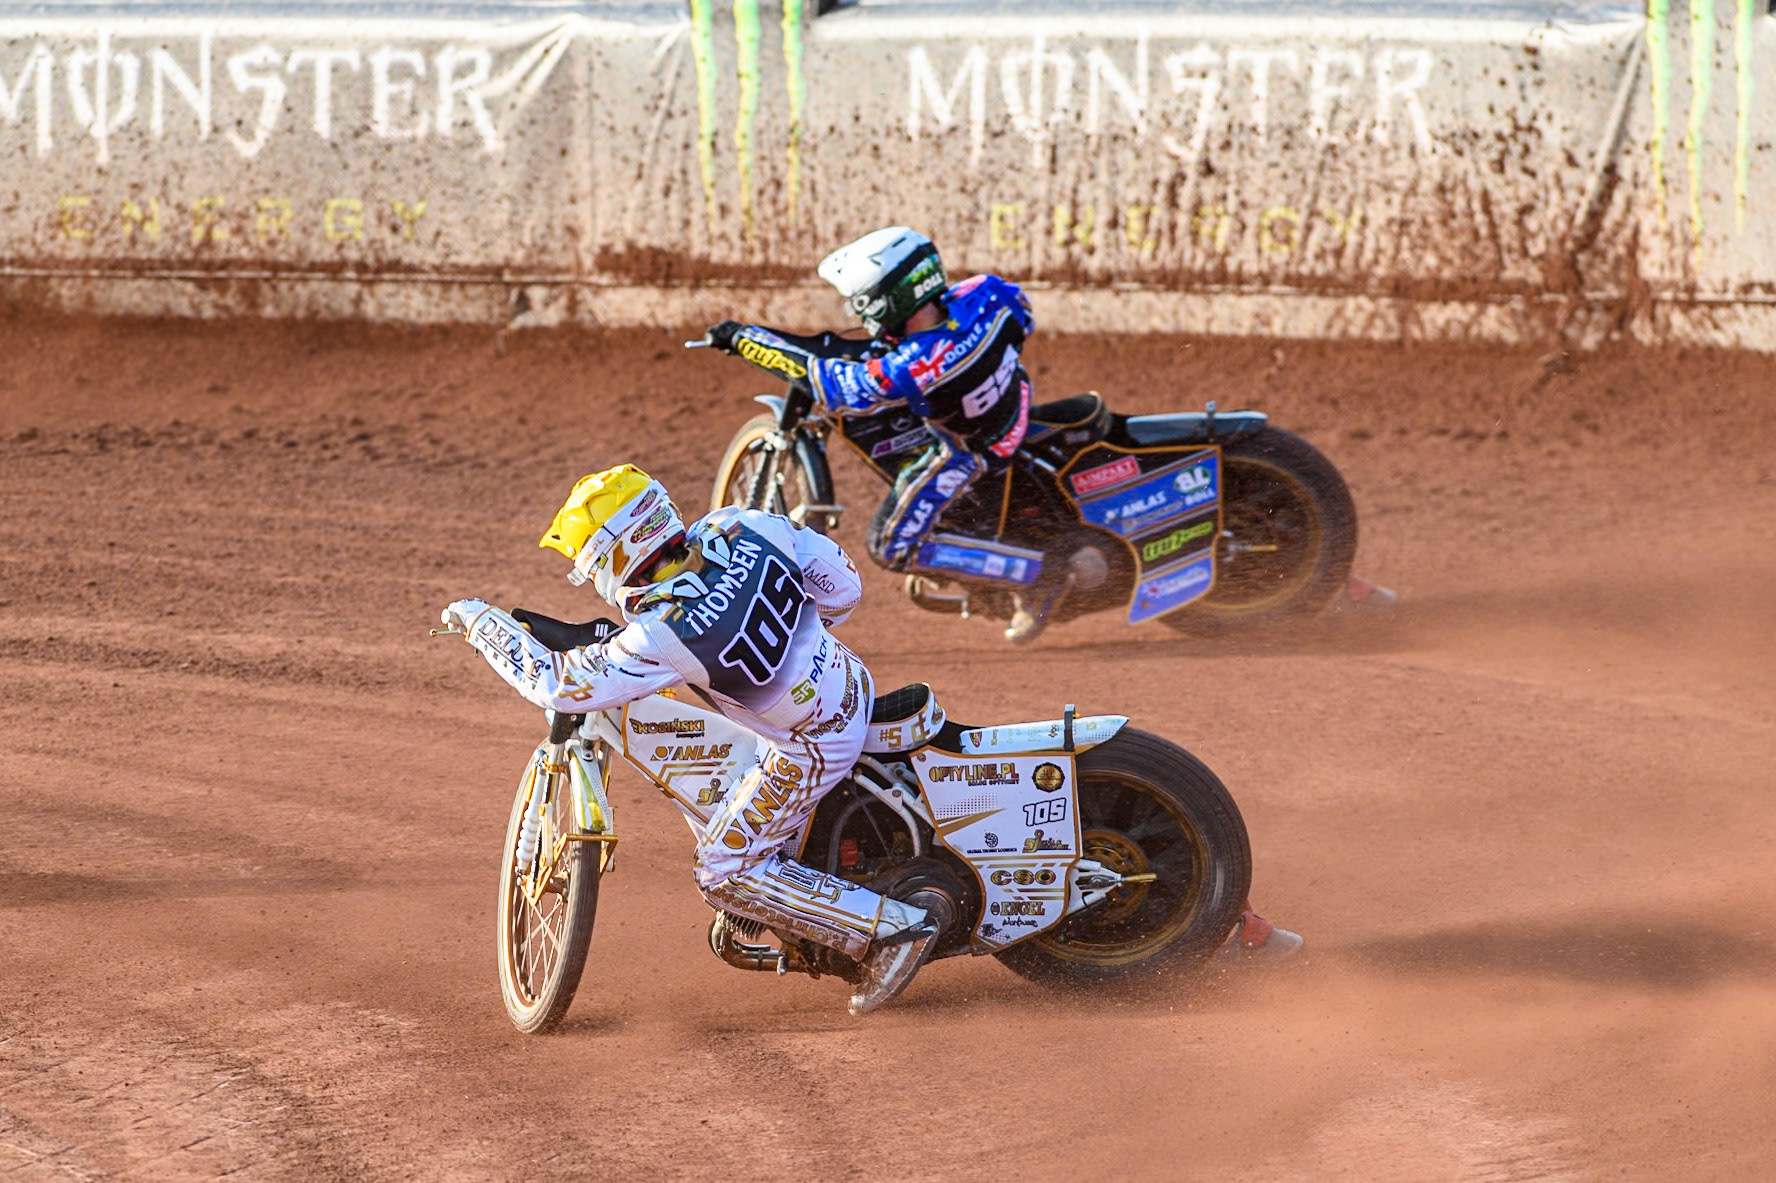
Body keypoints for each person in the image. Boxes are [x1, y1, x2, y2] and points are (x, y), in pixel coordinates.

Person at [439, 464, 938, 1016]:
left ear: (619, 554)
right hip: (851, 681)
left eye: (594, 563)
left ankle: (891, 931)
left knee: (723, 869)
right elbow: (843, 590)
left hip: (813, 744)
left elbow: (559, 685)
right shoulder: (743, 524)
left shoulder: (663, 633)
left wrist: (480, 622)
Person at [702, 225, 1069, 644]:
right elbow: (1024, 315)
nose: (860, 313)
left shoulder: (913, 365)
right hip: (1012, 404)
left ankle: (1039, 574)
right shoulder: (986, 293)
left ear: (892, 299)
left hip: (970, 449)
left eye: (864, 302)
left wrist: (745, 339)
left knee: (890, 544)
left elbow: (836, 386)